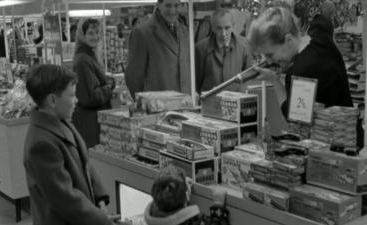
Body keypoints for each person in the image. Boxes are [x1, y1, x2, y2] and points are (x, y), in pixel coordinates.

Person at [24, 64, 124, 225]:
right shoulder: (41, 145)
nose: (76, 100)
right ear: (52, 100)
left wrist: (100, 198)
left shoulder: (61, 121)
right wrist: (101, 220)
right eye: (71, 96)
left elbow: (85, 162)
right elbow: (65, 199)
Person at [248, 7, 353, 117]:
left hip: (333, 132)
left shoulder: (301, 71)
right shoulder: (320, 35)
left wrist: (274, 79)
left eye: (270, 54)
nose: (268, 61)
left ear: (288, 41)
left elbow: (292, 116)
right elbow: (322, 23)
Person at [125, 0, 191, 98]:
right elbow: (134, 78)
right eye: (168, 5)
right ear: (158, 5)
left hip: (185, 106)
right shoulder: (142, 33)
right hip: (157, 107)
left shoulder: (185, 31)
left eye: (176, 5)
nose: (172, 10)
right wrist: (144, 105)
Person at [72, 18, 115, 148]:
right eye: (91, 33)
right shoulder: (83, 60)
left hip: (92, 121)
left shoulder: (89, 56)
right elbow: (89, 97)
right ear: (82, 35)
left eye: (97, 32)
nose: (95, 36)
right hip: (91, 124)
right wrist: (108, 86)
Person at [144, 165, 230, 225]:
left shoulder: (154, 214)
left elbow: (175, 213)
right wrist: (218, 205)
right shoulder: (194, 221)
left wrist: (184, 196)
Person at [195, 8, 253, 93]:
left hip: (236, 101)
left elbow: (249, 78)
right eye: (219, 28)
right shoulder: (201, 48)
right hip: (210, 102)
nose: (223, 33)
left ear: (233, 26)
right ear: (213, 28)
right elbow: (196, 82)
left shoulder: (244, 46)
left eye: (227, 28)